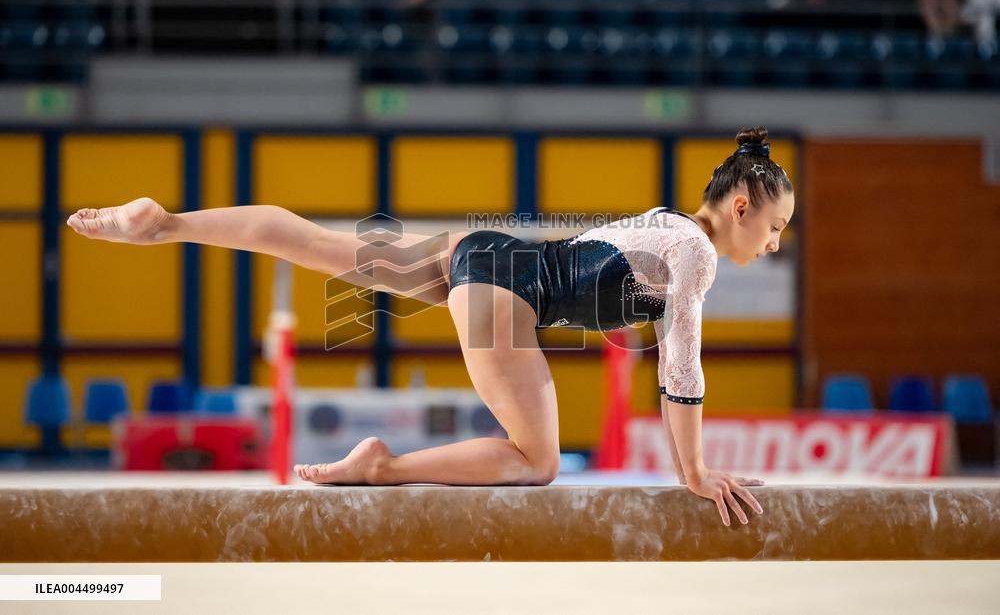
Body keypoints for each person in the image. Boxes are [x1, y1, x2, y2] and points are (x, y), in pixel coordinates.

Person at [66, 126, 793, 528]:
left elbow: (672, 363)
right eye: (775, 226)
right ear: (740, 207)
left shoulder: (668, 225)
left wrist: (688, 464)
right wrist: (693, 473)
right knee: (537, 459)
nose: (774, 243)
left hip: (482, 255)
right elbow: (682, 367)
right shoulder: (696, 252)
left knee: (319, 245)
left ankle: (165, 225)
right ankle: (382, 463)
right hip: (513, 291)